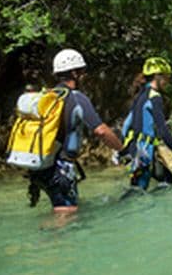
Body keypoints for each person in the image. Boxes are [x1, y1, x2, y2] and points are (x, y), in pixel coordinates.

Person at [28, 49, 123, 213]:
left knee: (63, 211)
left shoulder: (48, 96)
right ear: (75, 73)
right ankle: (40, 239)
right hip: (60, 168)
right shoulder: (76, 98)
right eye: (83, 71)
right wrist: (122, 149)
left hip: (39, 168)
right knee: (66, 217)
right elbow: (101, 131)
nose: (85, 75)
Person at [121, 56, 172, 191]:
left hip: (135, 150)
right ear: (158, 76)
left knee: (168, 181)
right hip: (144, 153)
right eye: (167, 77)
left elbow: (126, 126)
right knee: (138, 192)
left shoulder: (140, 95)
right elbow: (163, 130)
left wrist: (124, 150)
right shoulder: (155, 97)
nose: (168, 81)